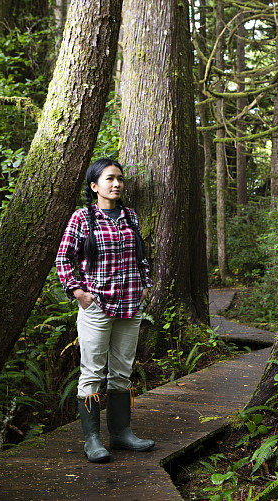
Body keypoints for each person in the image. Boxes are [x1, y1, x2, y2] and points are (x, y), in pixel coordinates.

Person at [55, 158, 155, 463]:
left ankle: (122, 433)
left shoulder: (130, 217)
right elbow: (63, 258)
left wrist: (145, 283)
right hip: (97, 306)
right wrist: (77, 291)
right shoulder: (82, 218)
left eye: (120, 179)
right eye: (109, 179)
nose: (116, 184)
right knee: (92, 373)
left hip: (129, 305)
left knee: (122, 372)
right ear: (94, 185)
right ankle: (92, 439)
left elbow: (140, 255)